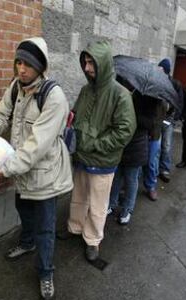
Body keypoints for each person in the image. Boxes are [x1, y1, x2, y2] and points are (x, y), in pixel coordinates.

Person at [0, 37, 73, 300]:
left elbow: (37, 146)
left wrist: (6, 167)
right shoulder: (16, 87)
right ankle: (26, 242)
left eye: (28, 64)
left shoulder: (53, 96)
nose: (21, 69)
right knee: (23, 209)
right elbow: (1, 115)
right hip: (22, 172)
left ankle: (46, 272)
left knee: (46, 227)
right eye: (18, 62)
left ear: (41, 67)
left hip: (44, 175)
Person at [57, 41, 136, 260]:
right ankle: (75, 227)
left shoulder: (120, 94)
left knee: (98, 203)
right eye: (85, 62)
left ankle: (93, 239)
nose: (88, 68)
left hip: (102, 161)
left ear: (103, 64)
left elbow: (125, 131)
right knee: (79, 196)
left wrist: (94, 144)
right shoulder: (85, 90)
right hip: (82, 156)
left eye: (92, 63)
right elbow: (77, 114)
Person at [108, 90, 153, 225]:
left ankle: (127, 209)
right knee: (117, 177)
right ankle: (111, 203)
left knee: (131, 180)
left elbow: (150, 124)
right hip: (122, 145)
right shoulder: (127, 94)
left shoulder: (150, 101)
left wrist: (132, 114)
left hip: (136, 147)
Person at [157, 58, 184, 183]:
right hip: (157, 119)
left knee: (166, 146)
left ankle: (164, 169)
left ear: (166, 71)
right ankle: (155, 169)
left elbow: (179, 102)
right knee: (156, 146)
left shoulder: (175, 84)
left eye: (161, 69)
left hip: (168, 119)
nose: (158, 70)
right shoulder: (156, 82)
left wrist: (174, 118)